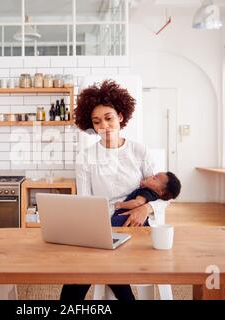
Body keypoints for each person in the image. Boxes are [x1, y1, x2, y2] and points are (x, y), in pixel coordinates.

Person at [60, 80, 169, 301]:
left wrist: (146, 208)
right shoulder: (85, 157)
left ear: (120, 116)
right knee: (93, 260)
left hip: (137, 227)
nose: (104, 126)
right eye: (97, 122)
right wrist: (97, 228)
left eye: (109, 118)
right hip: (101, 226)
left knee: (91, 262)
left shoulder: (140, 151)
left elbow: (165, 194)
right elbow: (84, 201)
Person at [111, 172, 181, 227]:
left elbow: (138, 203)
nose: (151, 176)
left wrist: (121, 205)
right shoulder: (152, 194)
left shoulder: (147, 192)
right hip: (136, 218)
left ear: (159, 191)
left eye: (154, 178)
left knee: (110, 223)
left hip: (129, 217)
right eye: (154, 175)